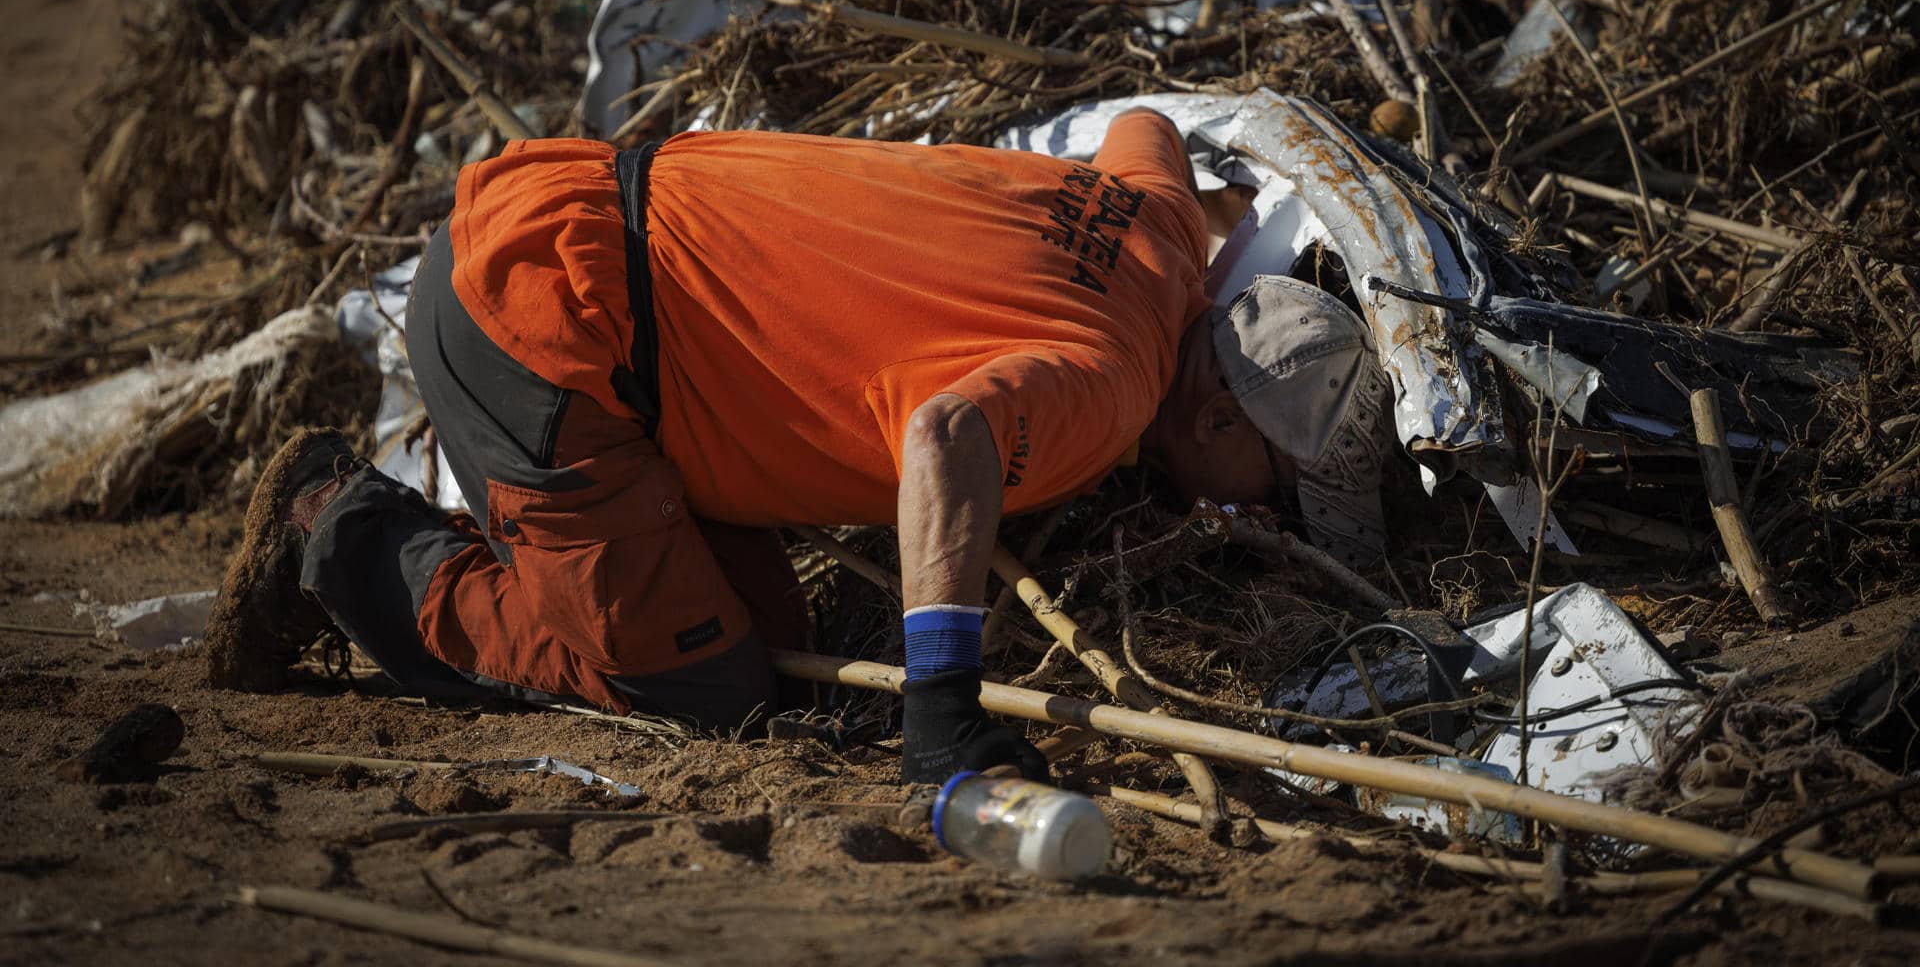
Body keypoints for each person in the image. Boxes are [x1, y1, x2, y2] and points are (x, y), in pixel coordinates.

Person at [205, 109, 1395, 783]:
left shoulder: (1159, 228)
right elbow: (949, 433)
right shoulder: (1114, 384)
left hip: (581, 213)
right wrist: (940, 698)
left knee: (771, 649)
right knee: (697, 685)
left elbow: (1146, 127)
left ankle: (548, 548)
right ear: (1217, 419)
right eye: (1281, 493)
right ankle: (343, 530)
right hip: (542, 321)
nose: (1263, 518)